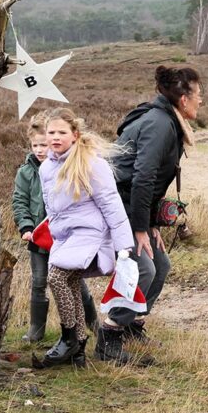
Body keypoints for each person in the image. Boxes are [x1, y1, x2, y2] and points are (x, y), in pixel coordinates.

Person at [103, 65, 203, 363]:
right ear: (183, 99)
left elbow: (148, 181)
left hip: (132, 207)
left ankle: (133, 324)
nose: (202, 100)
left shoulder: (166, 119)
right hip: (119, 207)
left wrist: (151, 223)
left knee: (161, 264)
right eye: (198, 94)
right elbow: (142, 178)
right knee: (143, 269)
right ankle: (109, 334)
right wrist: (140, 228)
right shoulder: (159, 123)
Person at [35, 108, 135, 368]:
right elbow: (50, 206)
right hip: (64, 236)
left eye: (61, 132)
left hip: (90, 234)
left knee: (56, 277)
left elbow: (111, 203)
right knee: (70, 282)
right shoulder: (46, 167)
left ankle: (69, 338)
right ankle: (78, 346)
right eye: (51, 132)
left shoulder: (91, 162)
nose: (55, 137)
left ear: (75, 134)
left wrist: (123, 245)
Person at [12, 113, 97, 343]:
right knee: (39, 281)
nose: (40, 149)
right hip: (38, 239)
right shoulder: (25, 172)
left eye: (43, 144)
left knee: (74, 281)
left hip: (65, 237)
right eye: (35, 145)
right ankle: (36, 329)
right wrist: (26, 226)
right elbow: (19, 201)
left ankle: (92, 324)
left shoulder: (66, 166)